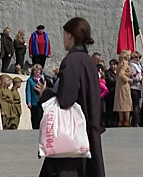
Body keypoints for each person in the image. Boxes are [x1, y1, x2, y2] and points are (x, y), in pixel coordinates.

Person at [32, 17, 105, 176]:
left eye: (64, 34)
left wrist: (45, 93)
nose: (63, 38)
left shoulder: (71, 60)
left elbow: (66, 99)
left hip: (71, 135)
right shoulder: (88, 60)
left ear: (70, 35)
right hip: (88, 128)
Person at [113, 50, 133, 127]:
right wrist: (128, 79)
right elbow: (121, 74)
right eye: (129, 55)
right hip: (124, 85)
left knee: (120, 103)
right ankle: (127, 121)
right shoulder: (124, 64)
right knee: (126, 103)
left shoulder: (120, 63)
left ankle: (121, 121)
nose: (130, 56)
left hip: (119, 85)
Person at [26, 64, 45, 129]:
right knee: (34, 118)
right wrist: (29, 102)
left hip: (42, 102)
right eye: (35, 70)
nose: (37, 72)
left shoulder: (43, 79)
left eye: (38, 70)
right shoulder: (30, 80)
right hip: (34, 103)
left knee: (41, 117)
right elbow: (28, 91)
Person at [129, 51, 143, 127]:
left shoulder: (139, 65)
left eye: (139, 57)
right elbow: (133, 76)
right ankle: (135, 122)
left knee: (138, 105)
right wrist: (140, 78)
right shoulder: (132, 65)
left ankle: (136, 121)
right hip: (134, 87)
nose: (138, 59)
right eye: (136, 57)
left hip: (139, 87)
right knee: (135, 105)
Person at [104, 59, 118, 127]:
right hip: (110, 93)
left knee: (115, 108)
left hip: (116, 93)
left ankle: (115, 122)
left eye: (114, 64)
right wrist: (118, 80)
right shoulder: (108, 72)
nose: (113, 66)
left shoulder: (118, 72)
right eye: (111, 64)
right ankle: (109, 122)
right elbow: (110, 81)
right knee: (109, 108)